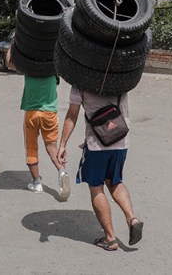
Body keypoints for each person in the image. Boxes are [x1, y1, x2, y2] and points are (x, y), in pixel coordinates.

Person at [57, 86, 143, 251]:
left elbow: (72, 115)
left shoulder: (81, 82)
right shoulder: (121, 76)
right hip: (120, 141)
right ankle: (132, 218)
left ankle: (110, 239)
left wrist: (62, 145)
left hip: (97, 144)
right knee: (115, 181)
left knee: (96, 187)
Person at [6, 44, 70, 200]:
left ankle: (37, 183)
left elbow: (9, 63)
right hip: (50, 113)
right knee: (51, 146)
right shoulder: (54, 69)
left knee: (31, 147)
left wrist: (13, 44)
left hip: (32, 113)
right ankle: (61, 171)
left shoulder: (29, 68)